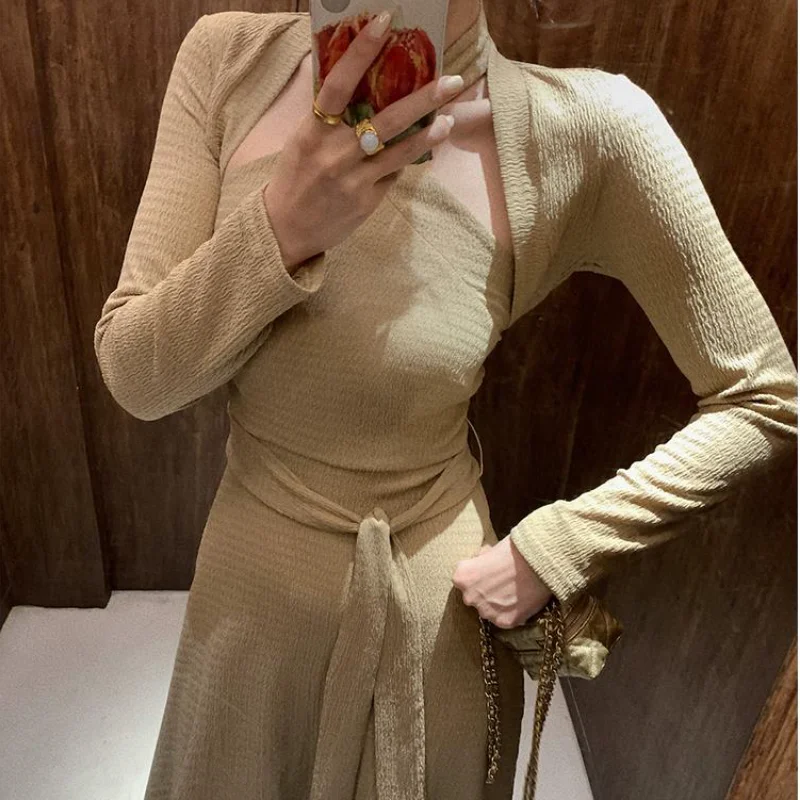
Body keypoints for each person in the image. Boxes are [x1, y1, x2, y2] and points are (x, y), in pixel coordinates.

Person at [93, 1, 797, 798]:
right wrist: (280, 229)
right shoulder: (227, 61)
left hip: (435, 620)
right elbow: (136, 376)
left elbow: (765, 396)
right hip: (250, 609)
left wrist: (561, 546)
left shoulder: (586, 128)